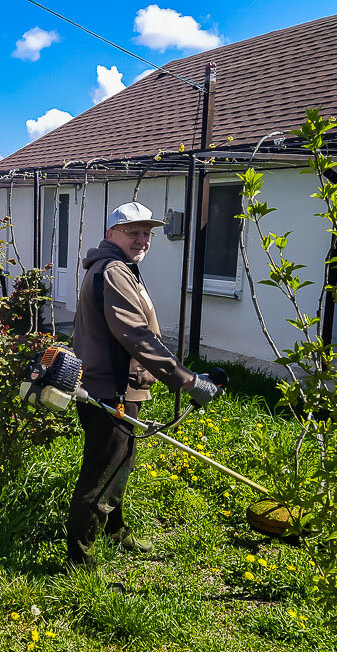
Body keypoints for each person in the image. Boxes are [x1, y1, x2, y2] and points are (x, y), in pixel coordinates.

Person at [67, 201, 218, 568]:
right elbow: (134, 335)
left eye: (147, 233)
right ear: (110, 235)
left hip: (118, 387)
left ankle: (115, 531)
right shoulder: (114, 270)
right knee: (101, 477)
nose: (142, 240)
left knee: (121, 463)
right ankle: (79, 564)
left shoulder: (120, 268)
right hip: (111, 391)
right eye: (132, 232)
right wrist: (186, 380)